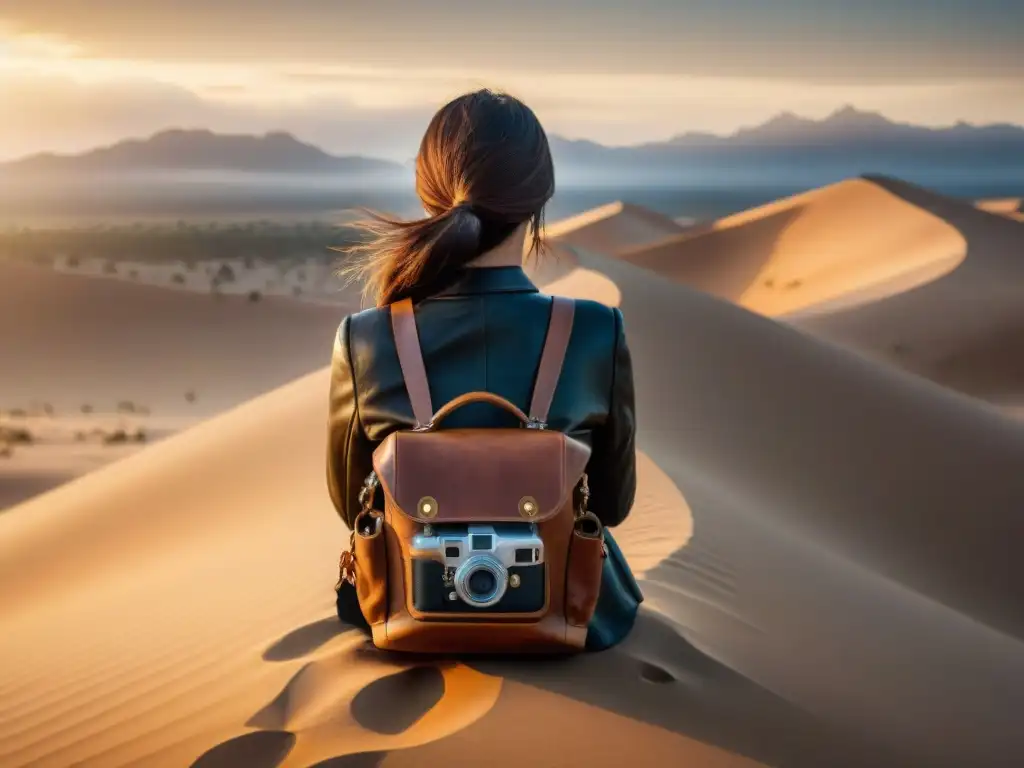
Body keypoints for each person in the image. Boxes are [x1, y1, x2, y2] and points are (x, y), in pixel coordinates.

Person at [326, 89, 643, 651]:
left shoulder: (367, 337)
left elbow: (353, 503)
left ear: (429, 196)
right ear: (538, 201)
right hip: (575, 616)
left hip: (407, 611)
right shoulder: (596, 331)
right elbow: (612, 507)